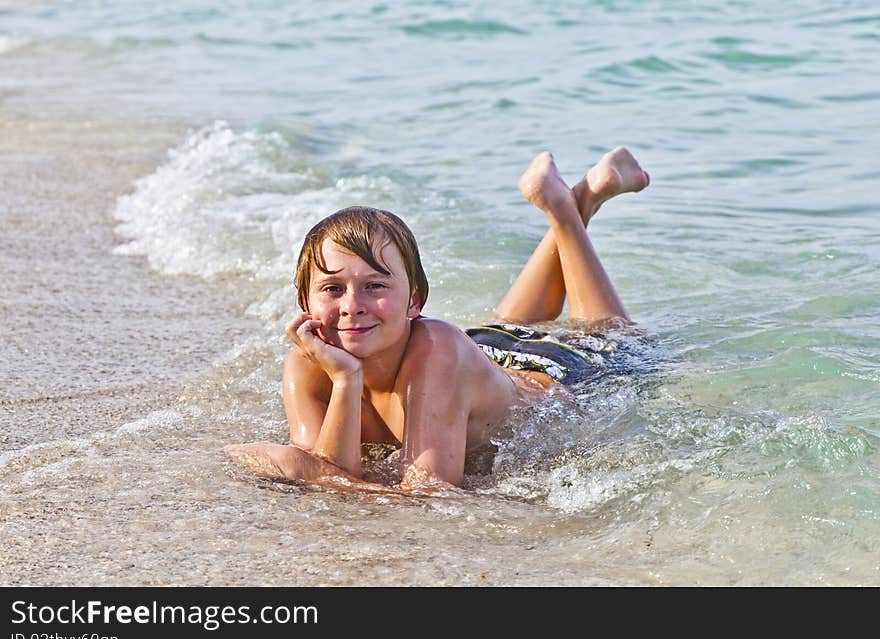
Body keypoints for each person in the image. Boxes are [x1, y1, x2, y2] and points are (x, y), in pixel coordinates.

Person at [223, 147, 649, 492]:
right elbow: (329, 472)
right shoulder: (308, 366)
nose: (352, 305)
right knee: (509, 320)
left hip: (564, 371)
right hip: (484, 349)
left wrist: (296, 465)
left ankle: (569, 208)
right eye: (333, 289)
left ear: (414, 301)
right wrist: (346, 379)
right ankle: (570, 200)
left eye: (375, 286)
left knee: (609, 334)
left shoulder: (435, 348)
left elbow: (428, 493)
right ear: (305, 302)